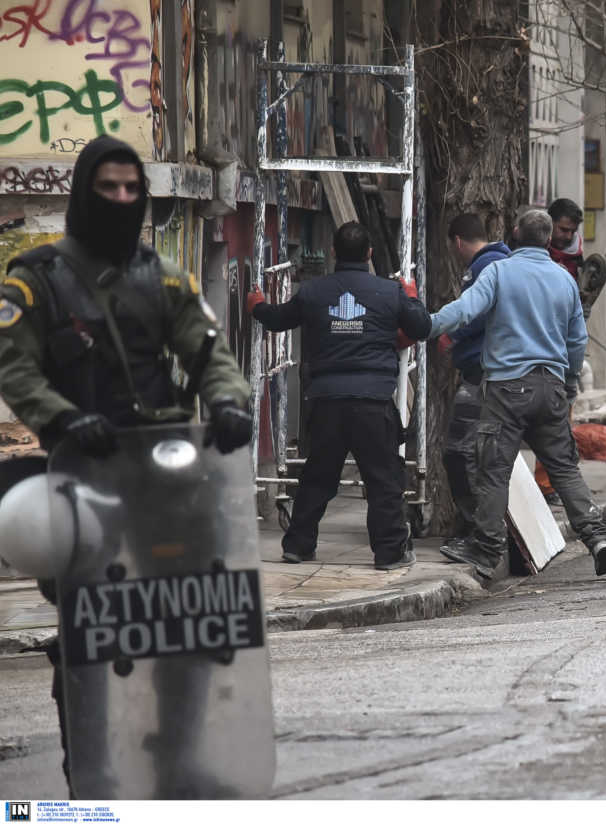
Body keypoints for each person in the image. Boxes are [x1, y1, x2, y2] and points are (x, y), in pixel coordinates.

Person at [0, 135, 253, 792]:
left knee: (186, 615)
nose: (120, 199)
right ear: (85, 191)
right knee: (90, 628)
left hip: (165, 474)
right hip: (85, 475)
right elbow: (14, 365)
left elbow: (209, 350)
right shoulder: (38, 279)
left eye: (131, 188)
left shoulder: (161, 276)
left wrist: (227, 400)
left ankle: (176, 756)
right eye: (107, 188)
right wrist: (59, 418)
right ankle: (92, 770)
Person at [426, 209, 606, 580]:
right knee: (564, 469)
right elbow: (576, 340)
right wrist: (570, 381)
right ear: (548, 240)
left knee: (493, 469)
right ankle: (598, 540)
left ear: (514, 233)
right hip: (551, 386)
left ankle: (486, 547)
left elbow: (465, 311)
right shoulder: (563, 280)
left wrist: (427, 323)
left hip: (507, 389)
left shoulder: (499, 272)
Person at [247, 221, 431, 570]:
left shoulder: (314, 292)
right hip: (373, 404)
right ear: (370, 253)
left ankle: (299, 545)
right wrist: (410, 294)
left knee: (317, 477)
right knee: (383, 480)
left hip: (327, 401)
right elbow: (421, 327)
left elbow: (277, 319)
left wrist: (256, 304)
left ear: (333, 252)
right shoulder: (389, 293)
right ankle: (390, 552)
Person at [441, 213, 510, 548]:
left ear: (457, 242)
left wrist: (449, 331)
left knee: (460, 452)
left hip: (482, 374)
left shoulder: (487, 267)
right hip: (489, 372)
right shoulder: (499, 262)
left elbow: (478, 312)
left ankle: (474, 530)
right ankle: (478, 529)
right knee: (477, 454)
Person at [547, 197, 584, 279]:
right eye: (564, 230)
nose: (569, 237)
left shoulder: (577, 259)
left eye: (573, 231)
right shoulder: (531, 248)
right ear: (549, 223)